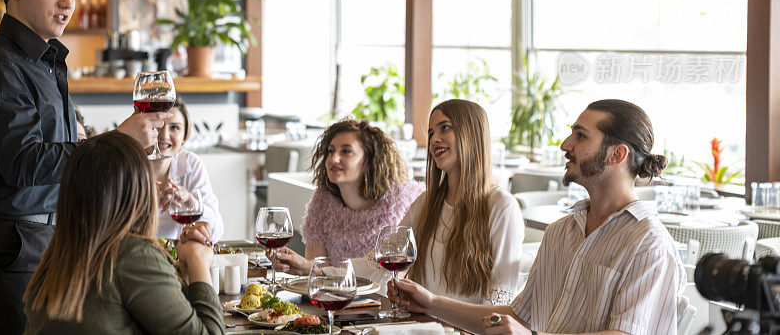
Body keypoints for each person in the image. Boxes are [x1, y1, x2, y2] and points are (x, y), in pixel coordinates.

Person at [0, 0, 170, 334]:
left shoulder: (45, 62)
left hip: (52, 241)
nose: (67, 2)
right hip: (12, 248)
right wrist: (116, 140)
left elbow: (62, 152)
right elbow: (23, 162)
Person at [390, 99, 686, 335]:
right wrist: (431, 303)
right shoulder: (560, 232)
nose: (565, 144)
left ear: (617, 155)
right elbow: (518, 316)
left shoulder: (649, 244)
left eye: (580, 136)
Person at [23, 130, 224, 334]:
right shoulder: (133, 253)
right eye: (148, 176)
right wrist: (199, 260)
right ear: (131, 190)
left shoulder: (59, 254)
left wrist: (184, 272)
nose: (157, 185)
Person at [398, 99, 524, 306]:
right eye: (431, 133)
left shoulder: (501, 207)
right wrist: (332, 273)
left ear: (472, 135)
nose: (434, 140)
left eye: (444, 128)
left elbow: (497, 305)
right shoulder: (424, 204)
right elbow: (381, 261)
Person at [273, 118, 424, 275]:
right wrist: (301, 266)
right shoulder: (323, 202)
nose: (333, 159)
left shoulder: (403, 200)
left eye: (346, 151)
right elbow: (316, 271)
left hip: (387, 297)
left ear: (369, 160)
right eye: (331, 151)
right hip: (336, 295)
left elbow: (396, 274)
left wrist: (310, 269)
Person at [151, 97, 225, 243]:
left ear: (184, 138)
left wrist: (191, 202)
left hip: (181, 255)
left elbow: (216, 231)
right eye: (159, 125)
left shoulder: (191, 164)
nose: (164, 135)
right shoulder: (129, 163)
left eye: (174, 127)